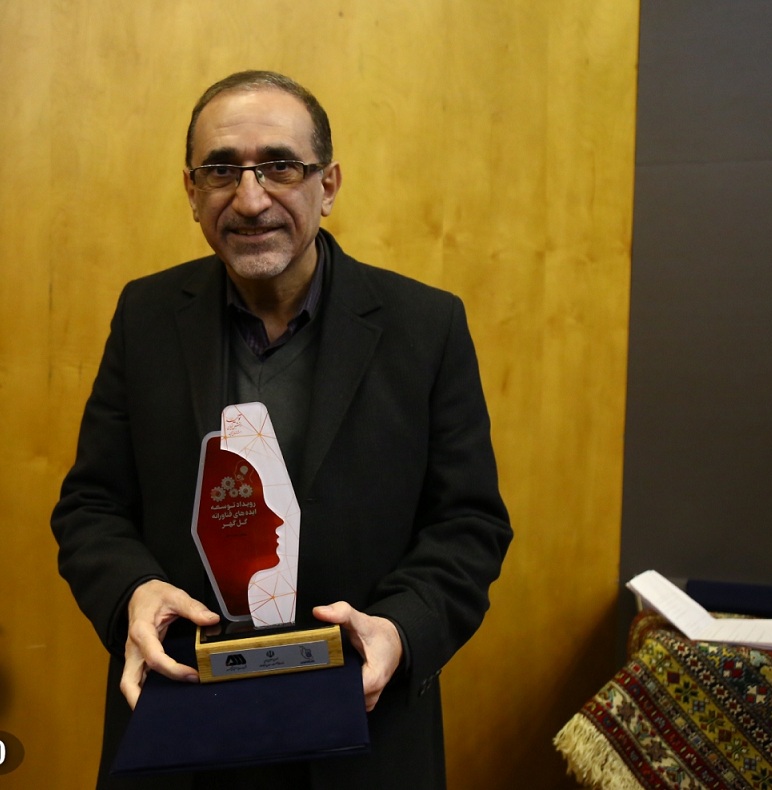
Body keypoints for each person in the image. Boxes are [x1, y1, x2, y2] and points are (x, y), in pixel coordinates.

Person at [52, 70, 512, 790]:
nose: (250, 197)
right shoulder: (145, 316)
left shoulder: (426, 327)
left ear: (327, 185)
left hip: (363, 733)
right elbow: (92, 506)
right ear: (191, 191)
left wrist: (399, 629)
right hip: (180, 719)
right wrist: (132, 590)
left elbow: (468, 524)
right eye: (221, 171)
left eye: (280, 166)